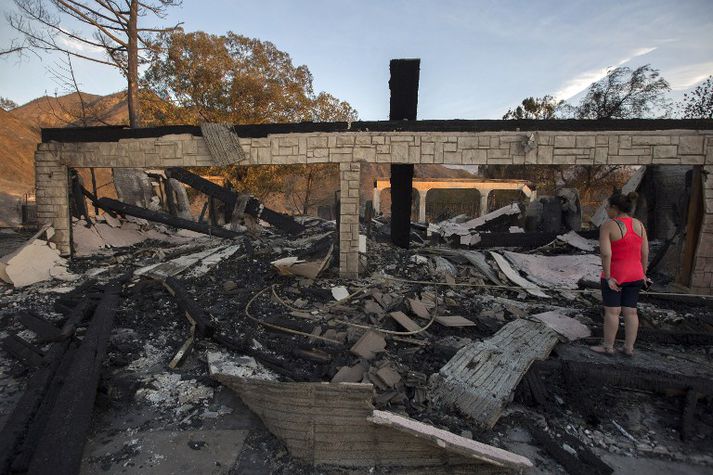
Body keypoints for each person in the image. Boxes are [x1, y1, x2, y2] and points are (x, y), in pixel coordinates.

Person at [590, 190, 649, 356]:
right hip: (636, 274)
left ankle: (608, 346)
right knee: (631, 311)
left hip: (616, 274)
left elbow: (606, 254)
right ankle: (629, 348)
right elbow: (645, 252)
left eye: (607, 207)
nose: (606, 210)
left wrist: (608, 276)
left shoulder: (608, 226)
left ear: (615, 208)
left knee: (612, 311)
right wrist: (643, 273)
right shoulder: (639, 225)